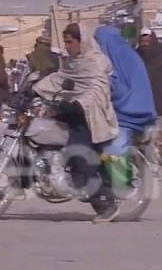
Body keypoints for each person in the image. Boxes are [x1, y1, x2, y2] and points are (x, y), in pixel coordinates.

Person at [35, 23, 120, 222]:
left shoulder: (96, 61)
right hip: (72, 113)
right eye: (65, 42)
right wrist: (35, 89)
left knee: (80, 157)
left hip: (91, 117)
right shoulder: (73, 62)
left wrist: (78, 104)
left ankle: (106, 205)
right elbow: (58, 79)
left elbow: (97, 90)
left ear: (83, 41)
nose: (67, 46)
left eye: (70, 42)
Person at [96, 25, 156, 190]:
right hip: (140, 108)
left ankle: (121, 185)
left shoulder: (115, 57)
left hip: (128, 111)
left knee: (113, 146)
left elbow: (118, 88)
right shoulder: (129, 54)